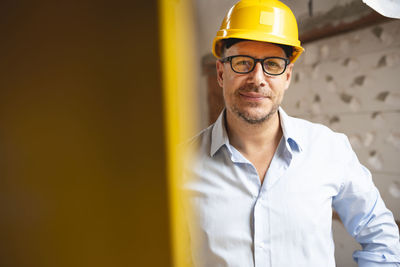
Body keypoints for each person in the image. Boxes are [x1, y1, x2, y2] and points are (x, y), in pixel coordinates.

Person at [183, 0, 400, 266]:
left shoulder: (329, 148)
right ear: (220, 72)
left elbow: (380, 235)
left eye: (273, 65)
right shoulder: (180, 165)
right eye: (242, 62)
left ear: (287, 76)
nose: (258, 78)